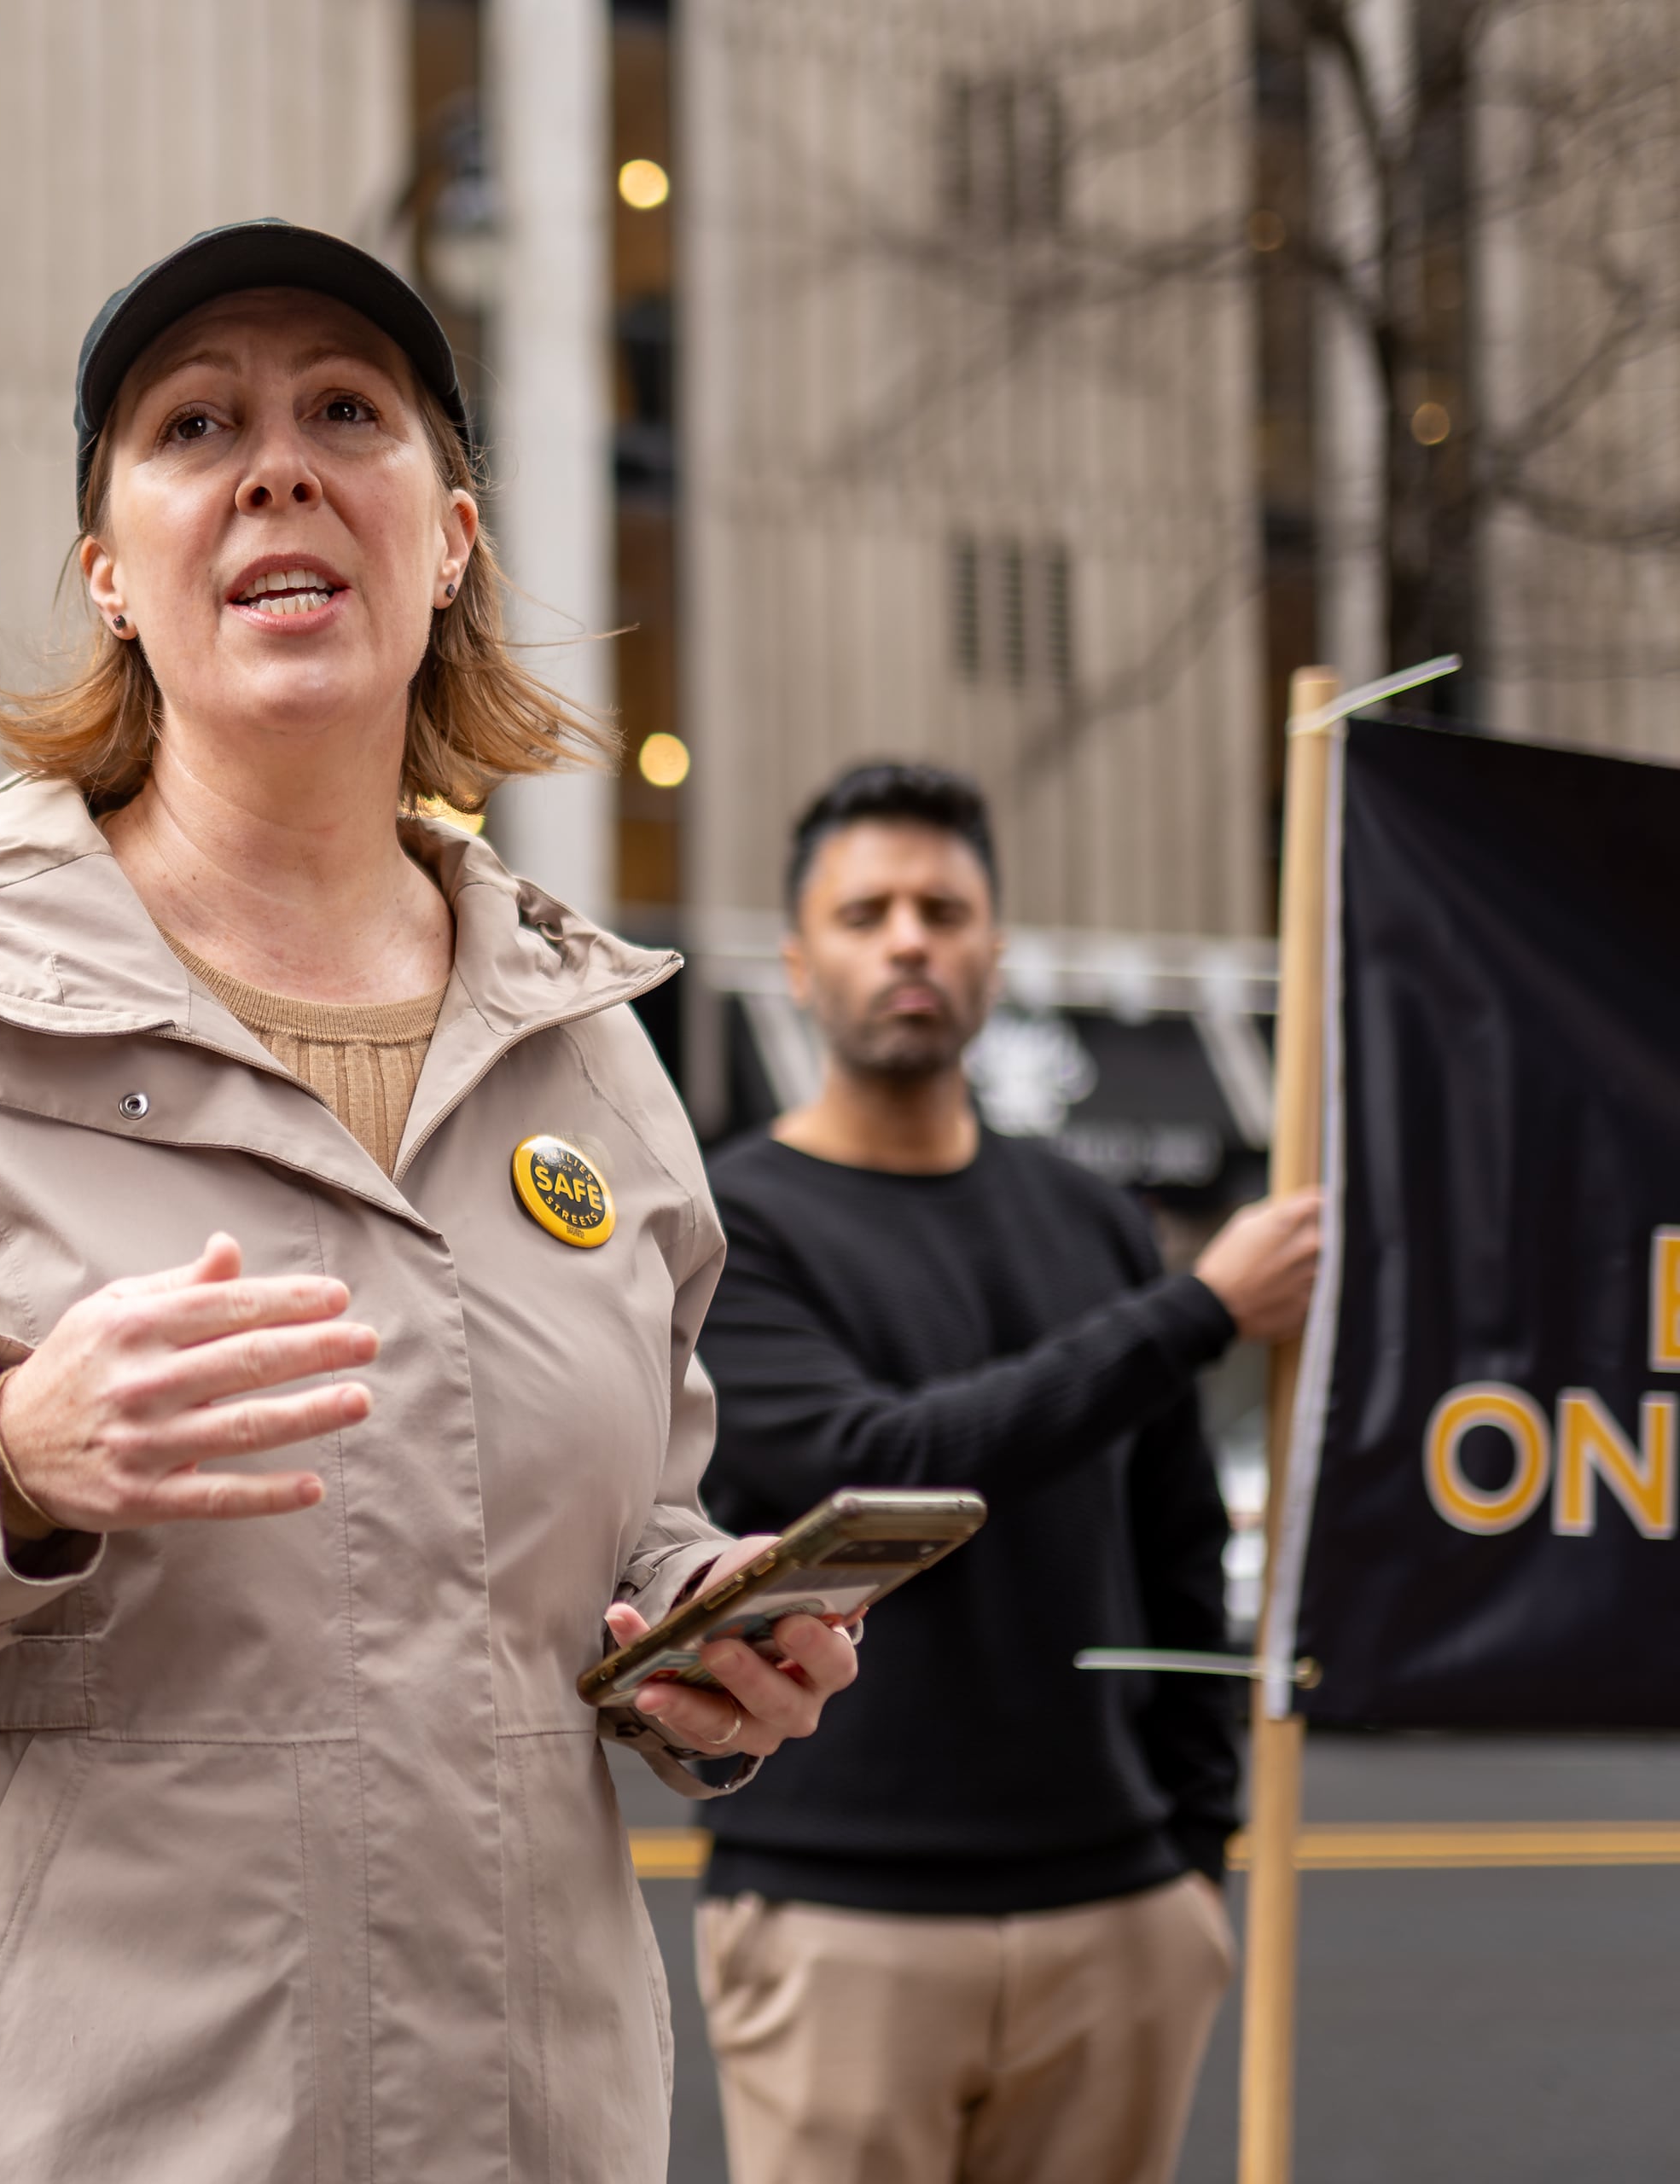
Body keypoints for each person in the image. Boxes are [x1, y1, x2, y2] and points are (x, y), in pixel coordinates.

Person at [0, 218, 862, 2184]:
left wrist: (703, 1644)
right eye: (199, 425)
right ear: (112, 578)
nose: (279, 462)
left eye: (346, 412)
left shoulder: (588, 1047)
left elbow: (637, 1524)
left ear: (445, 539)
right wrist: (3, 1465)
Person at [690, 763, 1322, 2184]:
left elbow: (1173, 1546)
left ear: (995, 949)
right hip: (842, 1917)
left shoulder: (1092, 1222)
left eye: (943, 908)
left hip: (1120, 1920)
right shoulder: (729, 1226)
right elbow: (878, 1471)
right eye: (867, 912)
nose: (909, 938)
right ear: (800, 962)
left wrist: (1192, 1860)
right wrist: (1196, 1309)